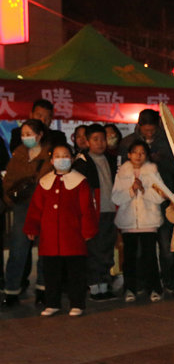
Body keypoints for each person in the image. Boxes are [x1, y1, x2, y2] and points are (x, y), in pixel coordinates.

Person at [23, 143, 98, 316]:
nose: (61, 159)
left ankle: (77, 303)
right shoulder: (45, 181)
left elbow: (87, 209)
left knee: (75, 273)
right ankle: (52, 303)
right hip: (49, 238)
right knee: (51, 273)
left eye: (65, 156)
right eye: (57, 156)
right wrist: (32, 227)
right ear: (51, 160)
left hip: (73, 237)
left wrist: (87, 231)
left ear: (71, 159)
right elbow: (36, 208)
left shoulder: (80, 181)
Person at [119, 109, 174, 295]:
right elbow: (122, 171)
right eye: (146, 130)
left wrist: (160, 161)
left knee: (166, 245)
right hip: (138, 203)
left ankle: (169, 280)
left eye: (152, 130)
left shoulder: (168, 142)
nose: (149, 133)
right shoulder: (128, 142)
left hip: (162, 199)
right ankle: (142, 283)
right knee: (140, 247)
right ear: (139, 126)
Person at [2, 119, 52, 308]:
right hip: (23, 207)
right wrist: (11, 201)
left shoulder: (50, 154)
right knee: (18, 248)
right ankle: (12, 290)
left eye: (29, 134)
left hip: (46, 207)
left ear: (39, 135)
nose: (25, 138)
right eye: (23, 134)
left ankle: (43, 289)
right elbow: (8, 181)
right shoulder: (18, 155)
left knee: (45, 248)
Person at [112, 140, 166, 302]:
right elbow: (116, 197)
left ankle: (154, 288)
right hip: (128, 222)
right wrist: (131, 190)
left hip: (148, 221)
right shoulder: (122, 173)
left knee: (150, 257)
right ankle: (130, 288)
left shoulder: (152, 171)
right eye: (135, 152)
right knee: (129, 257)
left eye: (142, 152)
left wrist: (143, 190)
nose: (138, 155)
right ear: (129, 155)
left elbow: (161, 195)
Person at [72, 124, 119, 300]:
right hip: (92, 213)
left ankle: (105, 285)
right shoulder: (82, 162)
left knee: (107, 248)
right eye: (95, 139)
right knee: (93, 250)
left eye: (103, 139)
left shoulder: (112, 160)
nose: (100, 143)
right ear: (87, 141)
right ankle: (94, 286)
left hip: (110, 210)